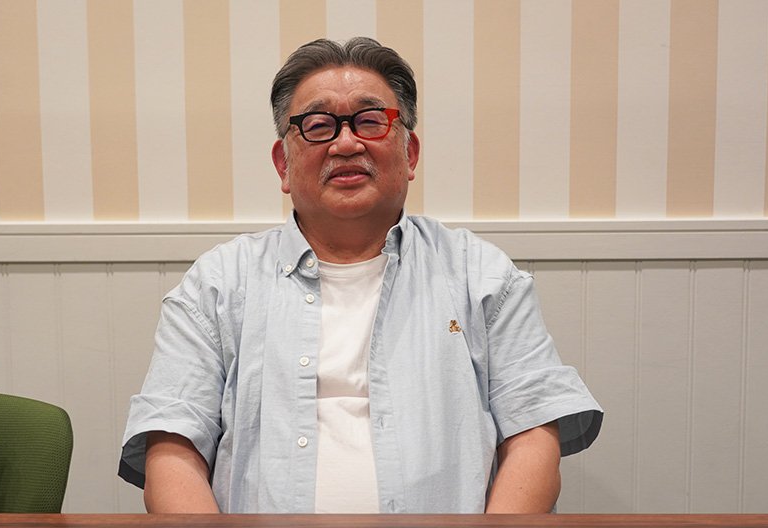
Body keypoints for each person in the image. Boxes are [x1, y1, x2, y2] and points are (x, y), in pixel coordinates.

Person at [119, 37, 602, 514]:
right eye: (318, 126)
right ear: (283, 164)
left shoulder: (482, 275)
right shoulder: (218, 284)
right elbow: (171, 448)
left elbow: (534, 436)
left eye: (370, 121)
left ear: (410, 154)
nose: (347, 143)